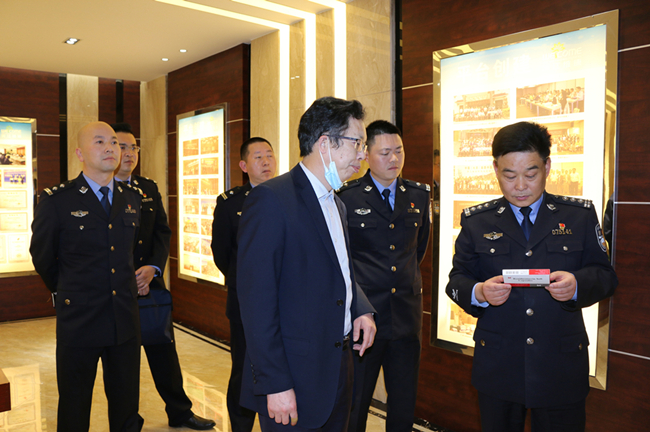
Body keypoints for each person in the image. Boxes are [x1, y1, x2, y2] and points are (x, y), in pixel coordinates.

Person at [446, 121, 617, 432]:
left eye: (530, 174)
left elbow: (605, 277)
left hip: (560, 364)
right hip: (498, 364)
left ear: (547, 166)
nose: (520, 186)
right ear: (495, 169)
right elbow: (457, 280)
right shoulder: (477, 221)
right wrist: (479, 292)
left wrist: (576, 285)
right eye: (509, 176)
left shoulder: (578, 216)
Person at [236, 96, 377, 431]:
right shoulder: (272, 199)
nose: (363, 155)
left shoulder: (337, 204)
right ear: (325, 144)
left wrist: (361, 308)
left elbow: (341, 270)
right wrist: (274, 383)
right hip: (293, 377)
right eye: (357, 143)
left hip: (337, 368)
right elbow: (256, 302)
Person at [30, 121, 144, 432]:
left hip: (124, 318)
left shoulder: (132, 197)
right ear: (80, 153)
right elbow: (43, 257)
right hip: (80, 319)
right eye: (100, 142)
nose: (110, 148)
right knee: (75, 404)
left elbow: (130, 253)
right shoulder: (58, 200)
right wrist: (70, 289)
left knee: (126, 404)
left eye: (114, 142)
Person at [111, 123, 216, 431]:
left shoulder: (148, 188)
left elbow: (162, 232)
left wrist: (153, 268)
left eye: (133, 147)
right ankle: (128, 421)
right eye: (122, 147)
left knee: (164, 352)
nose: (129, 153)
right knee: (123, 361)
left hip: (151, 286)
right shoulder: (102, 190)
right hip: (116, 289)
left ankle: (180, 412)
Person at [337, 120, 431, 432]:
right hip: (365, 317)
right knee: (356, 401)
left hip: (406, 317)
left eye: (399, 151)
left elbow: (418, 250)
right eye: (385, 152)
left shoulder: (418, 195)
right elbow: (343, 259)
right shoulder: (348, 197)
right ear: (366, 155)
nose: (394, 159)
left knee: (403, 404)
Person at [211, 137, 277, 432]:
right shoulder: (230, 203)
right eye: (258, 157)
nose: (265, 162)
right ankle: (240, 426)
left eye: (269, 155)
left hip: (283, 301)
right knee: (243, 367)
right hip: (245, 302)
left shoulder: (289, 196)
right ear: (243, 165)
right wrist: (247, 285)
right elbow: (221, 252)